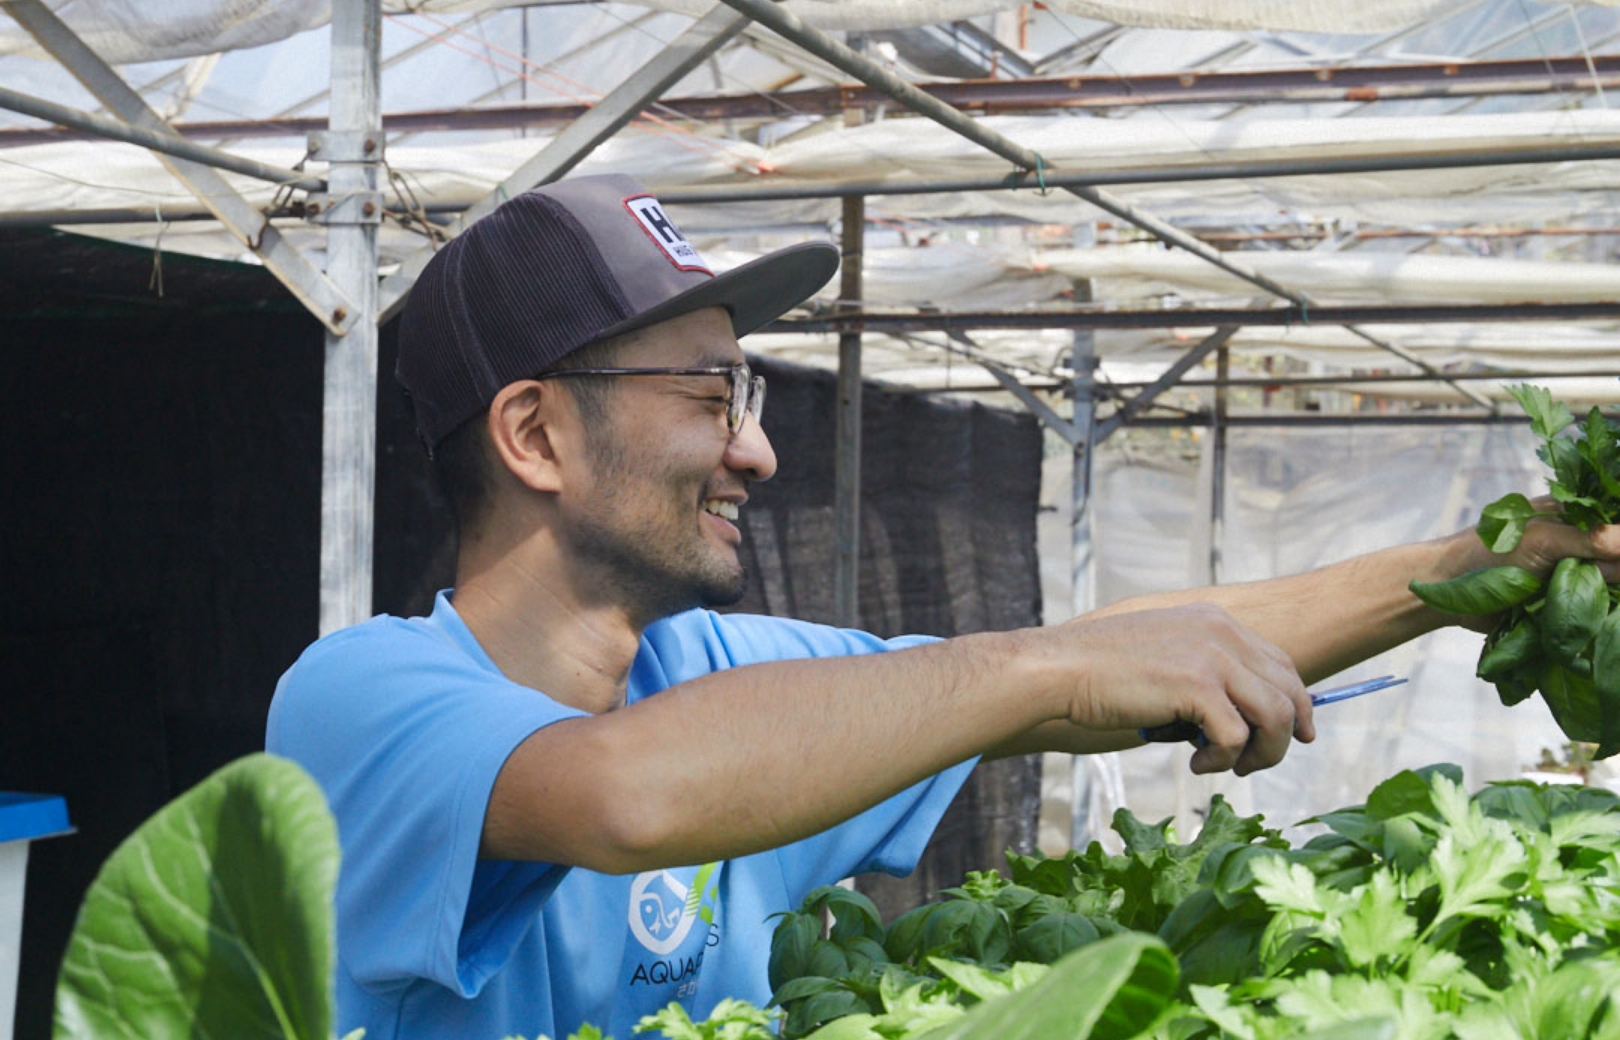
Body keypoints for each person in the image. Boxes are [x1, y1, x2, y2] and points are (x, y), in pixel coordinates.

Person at [266, 173, 1619, 1040]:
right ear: (536, 436)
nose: (757, 451)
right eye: (709, 398)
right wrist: (1034, 674)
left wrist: (1469, 571)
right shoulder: (355, 704)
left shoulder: (712, 667)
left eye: (754, 399)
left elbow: (1095, 661)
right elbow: (622, 798)